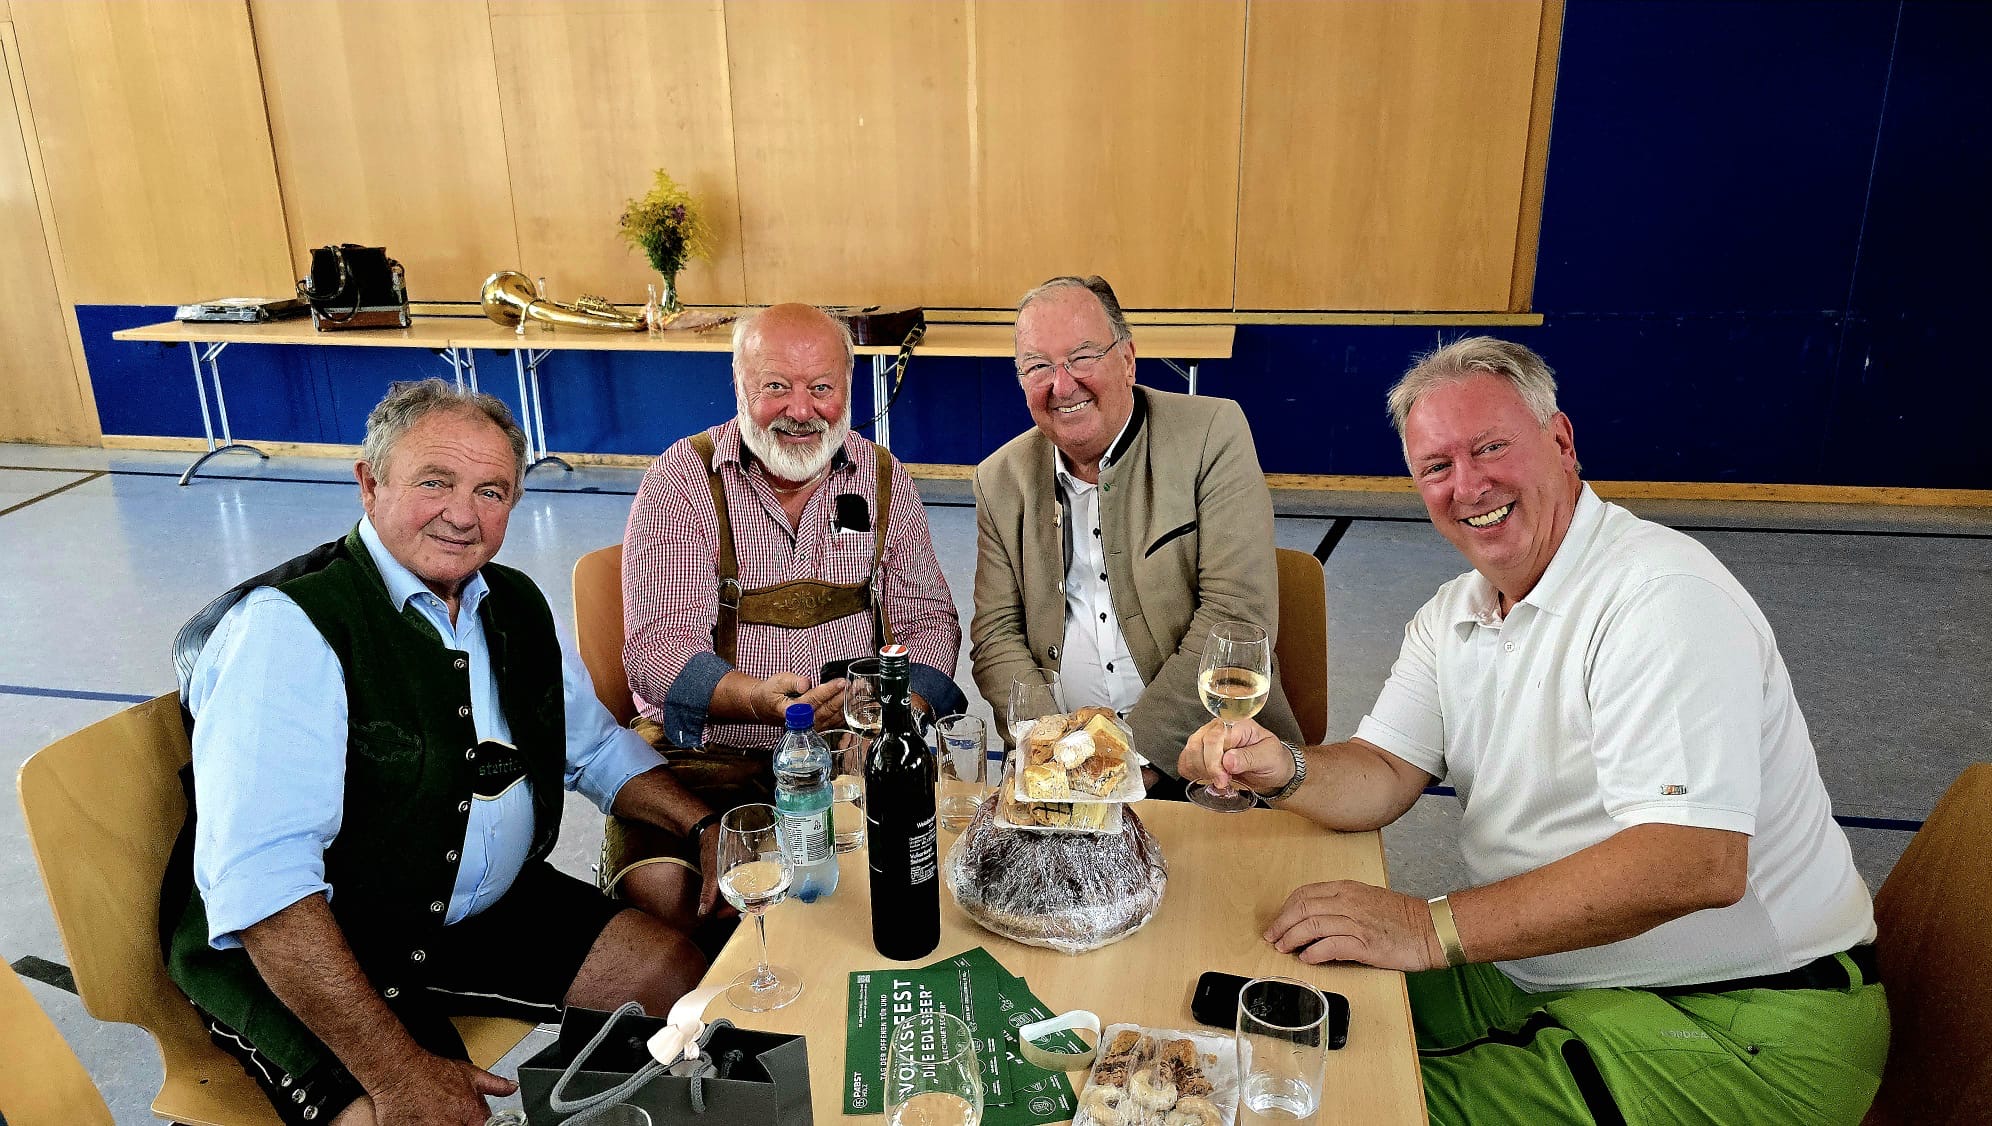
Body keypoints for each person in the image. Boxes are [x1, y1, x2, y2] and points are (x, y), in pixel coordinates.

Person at [1181, 337, 1887, 1124]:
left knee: (1319, 1104)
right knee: (1258, 1021)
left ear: (1560, 442)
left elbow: (1696, 862)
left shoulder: (1660, 597)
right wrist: (1286, 770)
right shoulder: (1456, 612)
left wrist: (1426, 925)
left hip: (1743, 1020)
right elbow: (1384, 767)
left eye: (1490, 447)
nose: (1468, 485)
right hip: (1553, 966)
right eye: (1437, 467)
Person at [160, 379, 718, 1126]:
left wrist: (705, 825)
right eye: (434, 482)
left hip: (476, 911)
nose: (463, 515)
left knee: (682, 981)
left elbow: (596, 751)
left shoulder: (511, 602)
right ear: (369, 482)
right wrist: (397, 1074)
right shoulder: (287, 632)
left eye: (492, 491)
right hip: (310, 944)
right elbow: (265, 895)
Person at [612, 302, 963, 918]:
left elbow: (930, 620)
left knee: (906, 878)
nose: (801, 411)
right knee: (664, 896)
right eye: (776, 386)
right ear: (739, 385)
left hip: (850, 753)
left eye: (821, 388)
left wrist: (886, 706)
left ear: (849, 388)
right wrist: (756, 700)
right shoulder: (682, 479)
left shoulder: (883, 479)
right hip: (707, 758)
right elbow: (651, 654)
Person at [972, 275, 1301, 792]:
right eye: (1038, 366)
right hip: (1060, 767)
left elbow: (1236, 616)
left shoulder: (1212, 434)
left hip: (1208, 758)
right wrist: (1050, 746)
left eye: (1082, 357)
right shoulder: (999, 479)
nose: (1062, 385)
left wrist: (1124, 759)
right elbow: (996, 635)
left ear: (1127, 359)